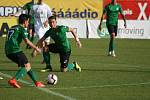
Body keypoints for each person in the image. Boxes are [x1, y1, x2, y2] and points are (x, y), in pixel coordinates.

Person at [5, 14, 45, 88]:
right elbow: (27, 41)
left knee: (27, 65)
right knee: (26, 66)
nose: (28, 23)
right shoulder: (21, 28)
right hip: (15, 50)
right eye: (28, 22)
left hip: (8, 51)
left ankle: (37, 82)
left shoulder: (12, 27)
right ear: (25, 21)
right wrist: (36, 48)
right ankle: (14, 80)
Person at [31, 0, 52, 66]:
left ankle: (44, 58)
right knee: (42, 42)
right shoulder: (34, 7)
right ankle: (36, 49)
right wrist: (31, 27)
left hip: (46, 27)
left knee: (46, 44)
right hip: (38, 27)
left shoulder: (46, 6)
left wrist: (47, 21)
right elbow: (31, 17)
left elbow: (50, 16)